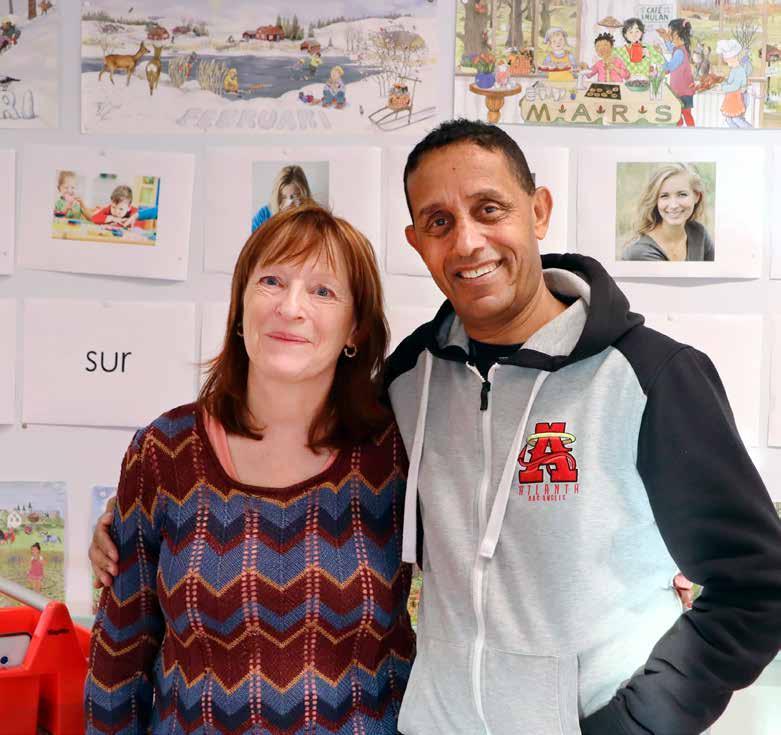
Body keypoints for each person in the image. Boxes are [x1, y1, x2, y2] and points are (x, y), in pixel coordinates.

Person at [90, 120, 781, 735]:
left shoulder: (651, 376)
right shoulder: (408, 383)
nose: (468, 241)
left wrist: (640, 721)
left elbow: (756, 584)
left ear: (538, 210)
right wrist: (131, 528)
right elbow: (290, 484)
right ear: (417, 241)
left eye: (489, 209)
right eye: (440, 221)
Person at [84, 203, 415, 734]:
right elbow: (118, 661)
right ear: (240, 307)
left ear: (354, 329)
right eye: (272, 281)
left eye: (323, 291)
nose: (291, 307)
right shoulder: (165, 451)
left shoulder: (396, 453)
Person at [622, 162, 714, 261]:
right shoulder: (640, 252)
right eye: (664, 196)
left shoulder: (698, 233)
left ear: (696, 196)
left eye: (682, 194)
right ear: (655, 200)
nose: (673, 205)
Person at [657, 18, 696, 126]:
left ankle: (691, 131)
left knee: (684, 114)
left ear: (677, 34)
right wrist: (665, 38)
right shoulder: (681, 48)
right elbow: (672, 48)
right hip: (682, 90)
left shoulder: (679, 52)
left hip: (683, 92)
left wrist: (660, 55)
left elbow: (668, 68)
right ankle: (682, 129)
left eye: (670, 32)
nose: (668, 33)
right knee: (679, 114)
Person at [251, 165, 312, 232]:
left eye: (294, 197)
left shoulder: (312, 219)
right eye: (283, 197)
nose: (289, 204)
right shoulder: (264, 215)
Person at [716, 38, 752, 128]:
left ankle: (751, 131)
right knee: (729, 119)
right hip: (733, 98)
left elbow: (735, 86)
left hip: (739, 98)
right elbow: (730, 83)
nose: (728, 64)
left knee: (736, 119)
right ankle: (736, 133)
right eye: (726, 61)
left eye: (728, 61)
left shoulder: (739, 70)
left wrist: (722, 87)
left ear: (735, 58)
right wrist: (722, 81)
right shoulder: (734, 70)